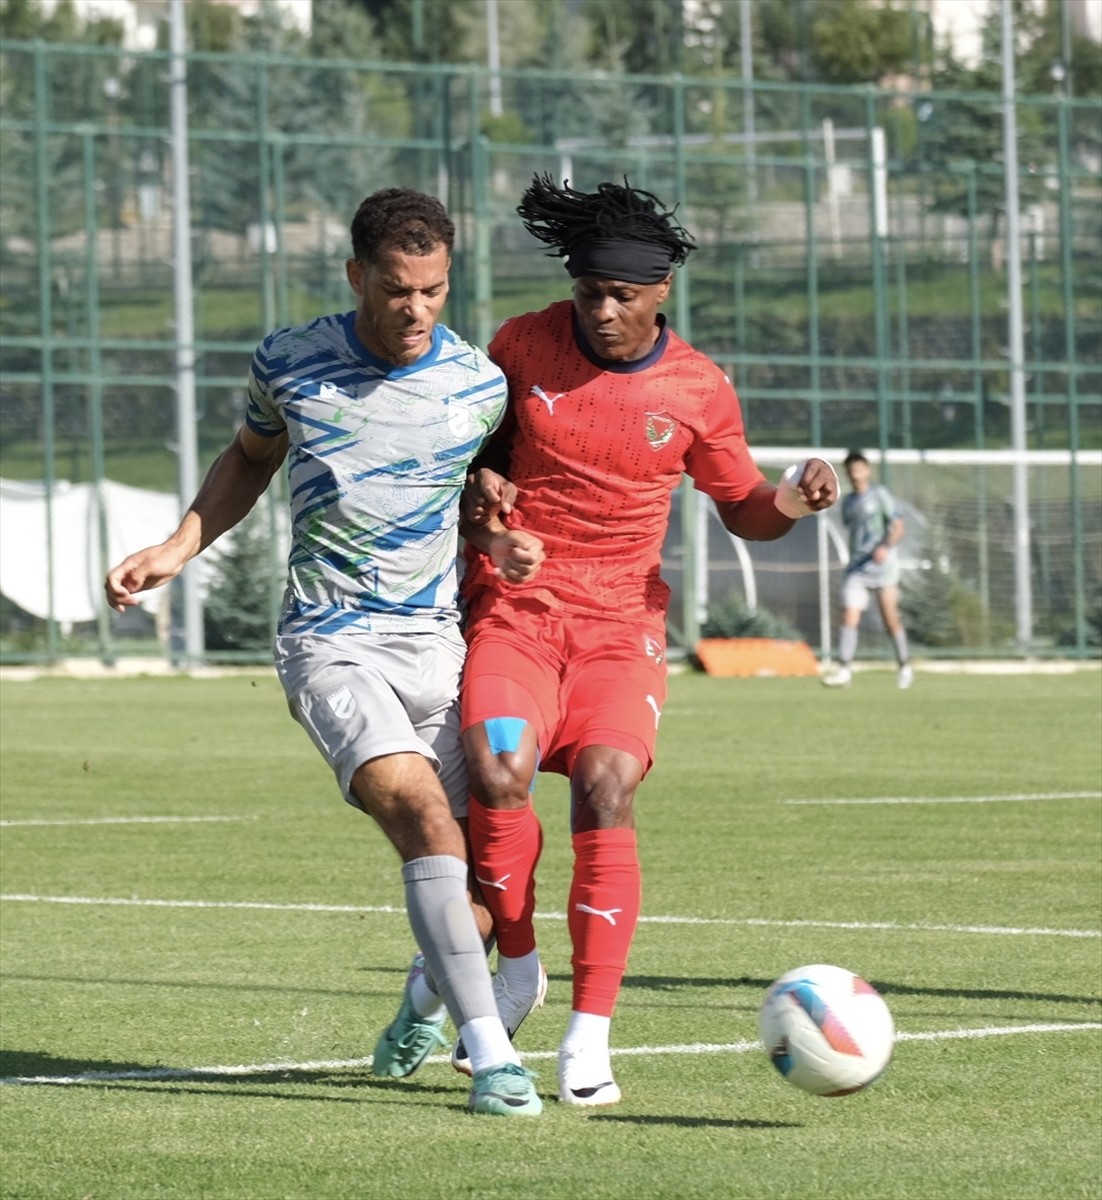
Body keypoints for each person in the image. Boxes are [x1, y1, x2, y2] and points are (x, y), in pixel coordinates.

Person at [103, 188, 547, 1118]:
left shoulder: (477, 386)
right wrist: (177, 546)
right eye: (396, 288)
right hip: (330, 641)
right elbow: (251, 459)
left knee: (471, 885)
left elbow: (472, 492)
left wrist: (495, 534)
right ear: (357, 277)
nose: (416, 308)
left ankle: (423, 1003)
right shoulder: (291, 362)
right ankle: (495, 1061)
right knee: (424, 821)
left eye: (433, 289)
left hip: (438, 644)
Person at [455, 174, 839, 1107]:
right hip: (518, 610)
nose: (605, 311)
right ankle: (517, 967)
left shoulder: (697, 387)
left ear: (662, 292)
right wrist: (488, 515)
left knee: (606, 787)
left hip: (622, 628)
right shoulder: (521, 345)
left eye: (624, 295)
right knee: (499, 771)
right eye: (591, 292)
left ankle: (589, 1036)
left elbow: (744, 507)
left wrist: (792, 497)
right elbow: (472, 471)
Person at [822, 449, 913, 689]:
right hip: (857, 570)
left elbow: (898, 526)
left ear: (868, 471)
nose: (855, 474)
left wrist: (885, 546)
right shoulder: (848, 502)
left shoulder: (880, 496)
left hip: (883, 569)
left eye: (859, 469)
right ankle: (844, 670)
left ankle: (904, 666)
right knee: (849, 617)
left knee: (890, 619)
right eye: (851, 470)